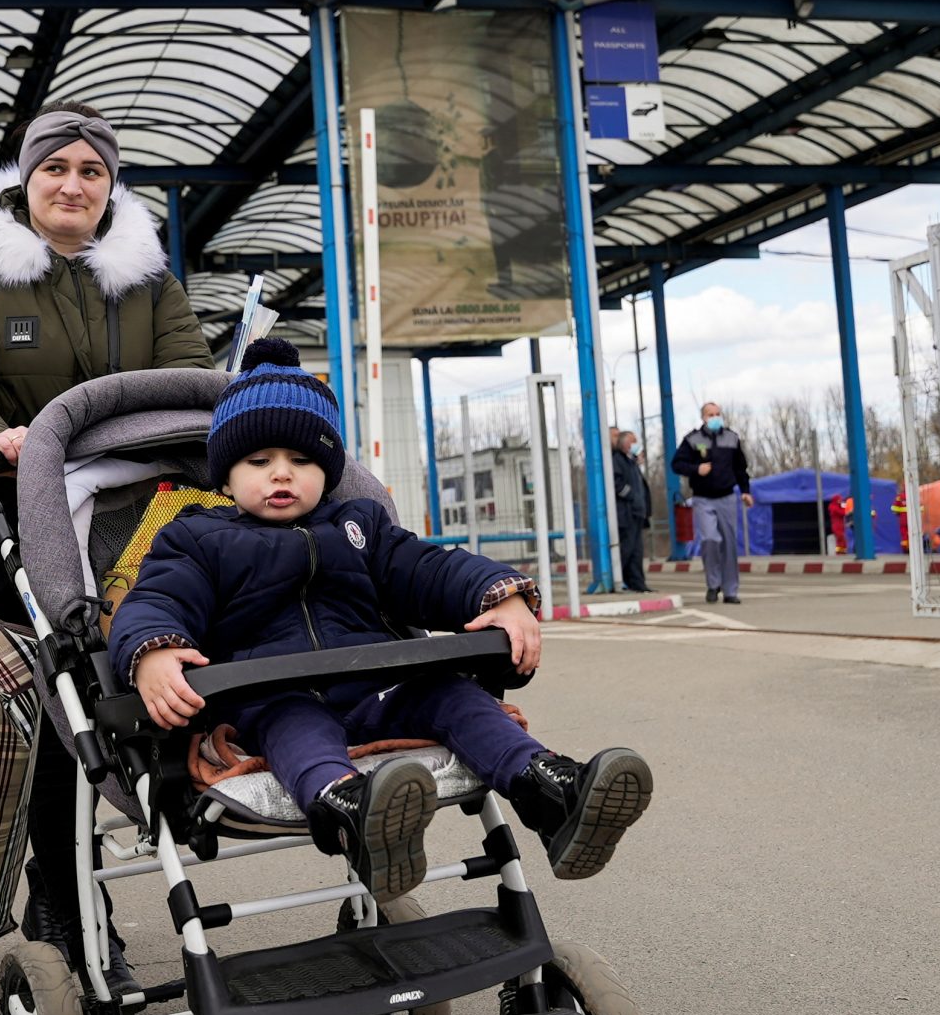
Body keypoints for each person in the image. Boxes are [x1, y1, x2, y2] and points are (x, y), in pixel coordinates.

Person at [112, 341, 653, 895]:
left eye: (302, 462)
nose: (282, 475)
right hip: (271, 696)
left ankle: (550, 792)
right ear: (225, 476)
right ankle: (354, 815)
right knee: (297, 726)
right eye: (259, 462)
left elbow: (428, 570)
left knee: (454, 694)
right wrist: (153, 648)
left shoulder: (360, 528)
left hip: (380, 686)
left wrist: (499, 594)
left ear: (327, 472)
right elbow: (158, 599)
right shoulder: (198, 538)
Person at [0, 101, 212, 986]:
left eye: (92, 172)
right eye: (57, 169)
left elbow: (191, 378)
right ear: (27, 178)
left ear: (110, 188)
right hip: (16, 522)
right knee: (53, 722)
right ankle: (63, 891)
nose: (73, 185)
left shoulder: (148, 282)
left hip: (136, 523)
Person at [671, 401, 754, 604]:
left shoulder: (732, 438)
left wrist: (745, 491)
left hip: (726, 497)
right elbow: (677, 464)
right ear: (703, 418)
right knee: (710, 539)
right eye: (710, 414)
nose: (715, 417)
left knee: (729, 544)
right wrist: (696, 469)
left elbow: (741, 469)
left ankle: (730, 591)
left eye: (717, 414)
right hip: (703, 499)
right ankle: (713, 583)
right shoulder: (692, 439)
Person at [610, 428, 652, 592]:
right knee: (627, 549)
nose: (636, 445)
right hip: (626, 513)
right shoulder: (617, 461)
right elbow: (617, 484)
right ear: (625, 444)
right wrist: (632, 497)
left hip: (636, 513)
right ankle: (620, 581)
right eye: (633, 441)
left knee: (636, 551)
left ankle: (638, 583)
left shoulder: (631, 462)